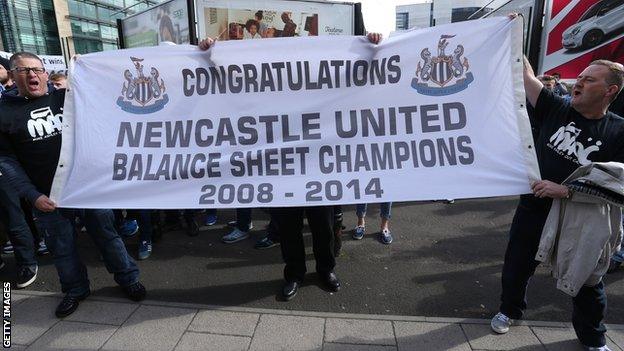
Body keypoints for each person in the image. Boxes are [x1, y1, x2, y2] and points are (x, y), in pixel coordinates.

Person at [198, 32, 383, 300]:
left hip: (320, 168)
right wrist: (211, 54)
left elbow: (357, 81)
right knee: (289, 231)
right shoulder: (265, 86)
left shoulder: (325, 82)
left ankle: (325, 270)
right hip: (282, 172)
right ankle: (294, 274)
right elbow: (233, 84)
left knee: (323, 228)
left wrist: (372, 47)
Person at [490, 16, 624, 351]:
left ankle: (593, 338)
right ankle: (509, 311)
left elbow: (619, 186)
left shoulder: (619, 132)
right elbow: (524, 75)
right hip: (534, 207)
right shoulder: (556, 107)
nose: (578, 82)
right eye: (579, 76)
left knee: (587, 281)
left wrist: (567, 191)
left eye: (589, 79)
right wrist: (513, 32)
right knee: (518, 265)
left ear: (610, 90)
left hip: (582, 219)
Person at [0, 52, 146, 318]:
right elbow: (7, 162)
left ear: (46, 73)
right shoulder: (3, 113)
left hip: (87, 189)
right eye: (24, 70)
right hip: (47, 198)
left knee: (108, 236)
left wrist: (89, 66)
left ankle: (128, 278)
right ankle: (76, 290)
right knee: (62, 248)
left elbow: (110, 92)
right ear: (13, 76)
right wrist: (32, 196)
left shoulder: (66, 98)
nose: (32, 75)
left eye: (37, 69)